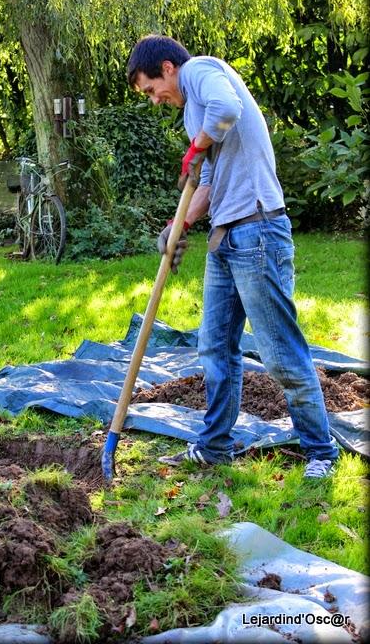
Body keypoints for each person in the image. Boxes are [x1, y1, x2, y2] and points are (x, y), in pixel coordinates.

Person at [126, 34, 339, 479]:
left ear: (167, 68)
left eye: (151, 89)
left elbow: (228, 111)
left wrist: (197, 147)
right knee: (215, 347)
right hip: (225, 238)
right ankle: (216, 446)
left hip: (259, 230)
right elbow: (206, 187)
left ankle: (321, 452)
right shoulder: (191, 113)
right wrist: (178, 225)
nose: (154, 100)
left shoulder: (201, 71)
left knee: (279, 352)